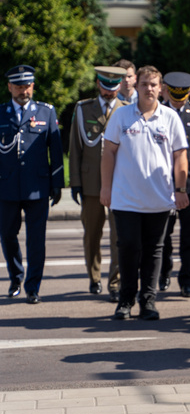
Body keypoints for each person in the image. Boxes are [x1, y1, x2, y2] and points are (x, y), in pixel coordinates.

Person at [100, 65, 189, 321]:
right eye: (144, 84)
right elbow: (108, 152)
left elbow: (180, 155)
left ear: (160, 88)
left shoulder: (170, 117)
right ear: (136, 86)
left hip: (160, 200)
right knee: (127, 247)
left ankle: (148, 301)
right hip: (125, 199)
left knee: (154, 250)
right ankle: (125, 301)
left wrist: (180, 188)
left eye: (153, 84)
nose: (149, 89)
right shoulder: (122, 115)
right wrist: (105, 188)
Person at [0, 65, 64, 304]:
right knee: (7, 234)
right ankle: (16, 277)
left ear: (33, 86)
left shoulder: (46, 112)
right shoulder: (1, 113)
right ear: (9, 87)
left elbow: (55, 151)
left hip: (37, 186)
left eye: (26, 86)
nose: (23, 91)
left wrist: (58, 183)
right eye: (18, 86)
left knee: (36, 239)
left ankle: (33, 286)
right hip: (6, 186)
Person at [68, 66, 129, 302]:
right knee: (92, 234)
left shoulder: (126, 110)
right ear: (98, 84)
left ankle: (116, 282)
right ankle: (94, 278)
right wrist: (75, 182)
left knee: (119, 236)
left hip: (120, 182)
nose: (109, 92)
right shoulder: (84, 109)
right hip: (91, 181)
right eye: (105, 87)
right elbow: (75, 148)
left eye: (113, 88)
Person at [159, 71, 190, 297]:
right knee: (163, 234)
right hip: (162, 183)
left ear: (188, 94)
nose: (178, 99)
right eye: (174, 95)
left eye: (183, 95)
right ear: (167, 91)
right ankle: (163, 272)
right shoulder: (157, 112)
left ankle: (186, 280)